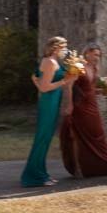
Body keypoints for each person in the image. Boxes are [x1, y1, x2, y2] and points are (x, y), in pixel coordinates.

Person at [20, 36, 75, 186]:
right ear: (56, 48)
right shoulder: (50, 62)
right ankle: (34, 177)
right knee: (42, 139)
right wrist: (65, 81)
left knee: (45, 139)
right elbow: (45, 87)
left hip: (52, 101)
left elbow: (35, 78)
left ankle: (42, 174)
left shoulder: (52, 61)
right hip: (49, 103)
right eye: (64, 47)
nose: (66, 50)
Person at [60, 43, 107, 178]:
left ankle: (104, 166)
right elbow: (68, 85)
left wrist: (105, 91)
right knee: (79, 137)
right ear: (87, 53)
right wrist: (69, 105)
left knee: (98, 134)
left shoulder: (95, 68)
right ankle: (79, 169)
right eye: (95, 54)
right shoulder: (77, 66)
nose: (97, 58)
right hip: (79, 105)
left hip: (92, 105)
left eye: (99, 56)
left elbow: (91, 89)